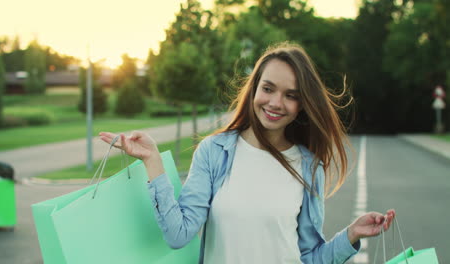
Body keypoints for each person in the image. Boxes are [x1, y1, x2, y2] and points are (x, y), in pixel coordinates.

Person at [99, 43, 396, 264]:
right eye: (268, 88)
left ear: (302, 104)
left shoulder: (308, 166)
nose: (276, 102)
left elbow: (310, 257)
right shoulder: (215, 152)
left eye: (291, 95)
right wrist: (153, 161)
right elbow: (178, 235)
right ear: (254, 90)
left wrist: (352, 235)